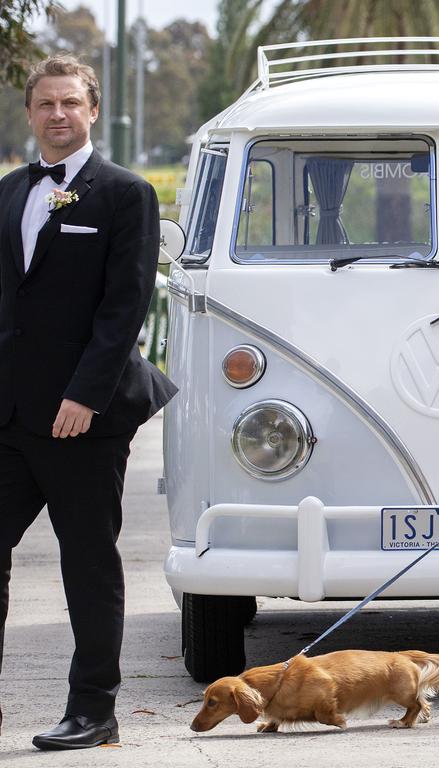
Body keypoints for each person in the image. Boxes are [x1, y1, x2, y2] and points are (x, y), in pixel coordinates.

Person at [0, 54, 176, 749]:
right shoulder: (11, 191)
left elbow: (124, 305)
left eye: (71, 103)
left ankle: (93, 711)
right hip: (10, 417)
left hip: (83, 421)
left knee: (88, 566)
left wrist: (86, 395)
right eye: (46, 104)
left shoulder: (125, 194)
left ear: (93, 110)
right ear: (31, 113)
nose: (58, 115)